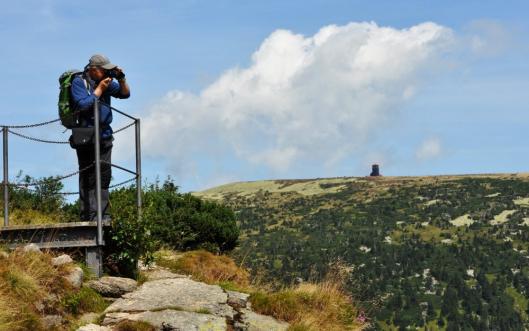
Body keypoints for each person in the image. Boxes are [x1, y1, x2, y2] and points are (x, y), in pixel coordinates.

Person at [70, 54, 130, 221]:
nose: (106, 73)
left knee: (104, 175)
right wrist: (100, 90)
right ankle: (88, 216)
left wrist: (122, 78)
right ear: (94, 70)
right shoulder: (78, 82)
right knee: (88, 177)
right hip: (85, 136)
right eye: (104, 70)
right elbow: (82, 104)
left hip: (104, 135)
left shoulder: (105, 81)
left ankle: (104, 215)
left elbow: (125, 94)